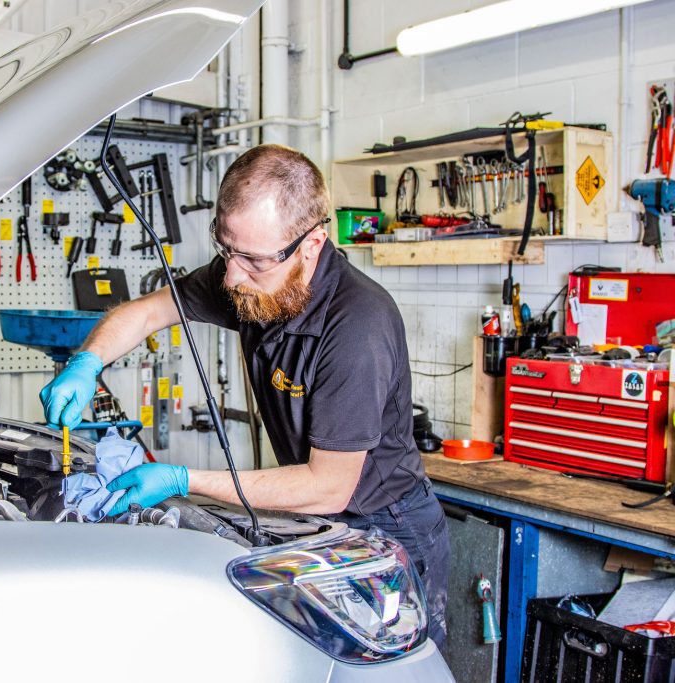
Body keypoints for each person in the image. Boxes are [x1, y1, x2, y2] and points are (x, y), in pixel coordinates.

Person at [39, 144, 449, 649]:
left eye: (252, 259)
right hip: (312, 518)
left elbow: (330, 486)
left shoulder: (357, 327)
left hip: (385, 528)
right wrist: (88, 361)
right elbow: (146, 312)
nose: (232, 275)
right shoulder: (248, 275)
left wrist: (183, 479)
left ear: (311, 245)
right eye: (225, 249)